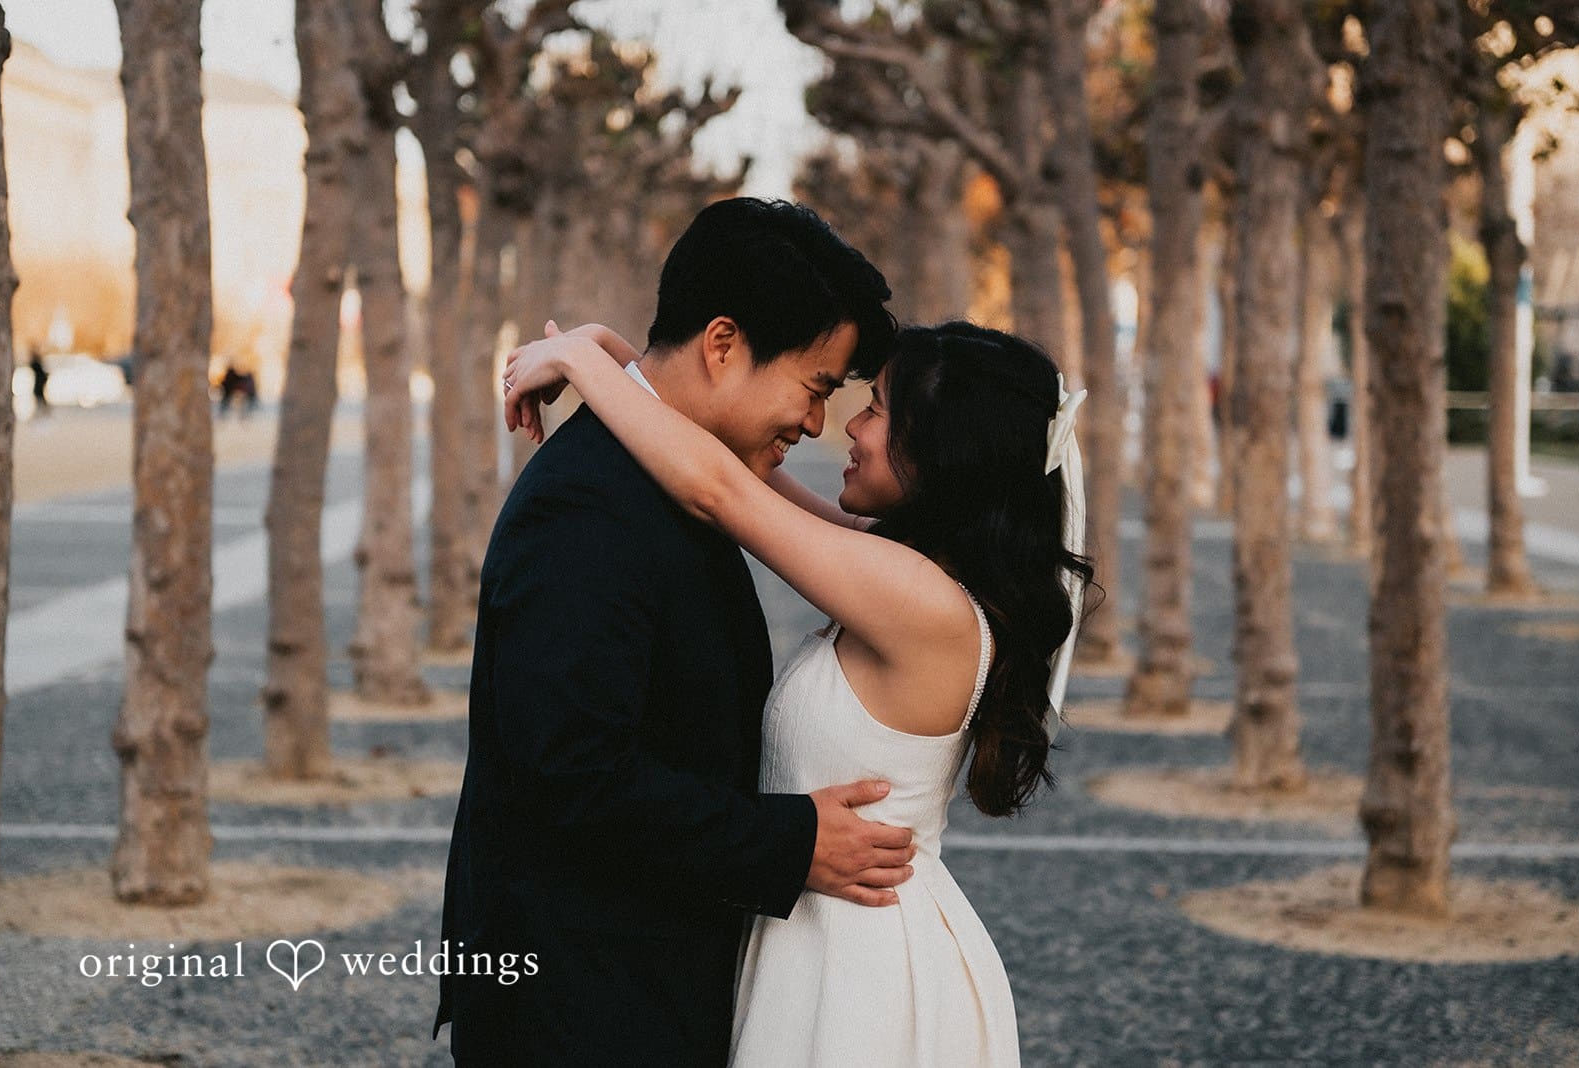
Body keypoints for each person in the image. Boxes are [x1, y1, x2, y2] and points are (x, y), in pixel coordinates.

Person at [502, 318, 1092, 1066]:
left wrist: (579, 361)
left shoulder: (919, 599)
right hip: (820, 930)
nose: (850, 422)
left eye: (877, 406)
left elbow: (719, 490)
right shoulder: (906, 570)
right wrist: (633, 362)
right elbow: (734, 465)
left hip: (862, 969)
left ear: (942, 447)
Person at [433, 198, 914, 1065]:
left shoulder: (672, 477)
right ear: (724, 345)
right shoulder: (589, 503)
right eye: (814, 388)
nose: (815, 425)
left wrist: (596, 353)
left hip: (637, 982)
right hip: (578, 1003)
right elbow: (573, 773)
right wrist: (791, 840)